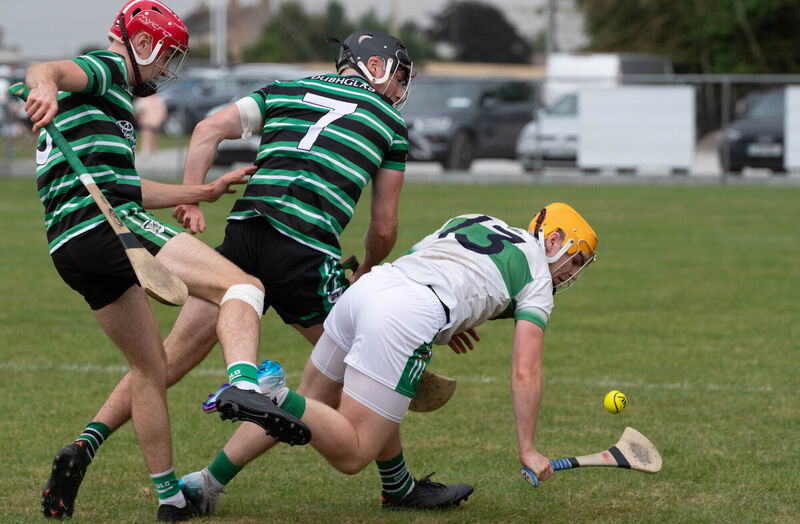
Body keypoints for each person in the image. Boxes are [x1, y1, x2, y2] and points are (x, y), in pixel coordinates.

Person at [40, 27, 468, 517]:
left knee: (162, 361)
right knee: (359, 367)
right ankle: (396, 486)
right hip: (305, 251)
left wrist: (193, 194)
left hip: (246, 233)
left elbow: (206, 130)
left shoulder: (286, 88)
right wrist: (366, 273)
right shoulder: (389, 121)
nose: (400, 90)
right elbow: (384, 227)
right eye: (399, 76)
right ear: (376, 66)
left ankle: (86, 444)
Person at [26, 1, 309, 521]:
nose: (166, 70)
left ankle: (168, 498)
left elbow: (122, 185)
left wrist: (199, 191)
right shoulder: (107, 71)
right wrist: (43, 82)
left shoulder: (104, 107)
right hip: (110, 225)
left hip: (70, 246)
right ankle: (245, 385)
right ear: (142, 44)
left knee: (148, 367)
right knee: (243, 289)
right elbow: (49, 70)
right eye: (166, 57)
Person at [217, 203, 598, 506]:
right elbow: (525, 370)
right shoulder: (539, 282)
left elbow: (428, 262)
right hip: (407, 314)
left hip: (371, 288)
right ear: (553, 240)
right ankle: (273, 393)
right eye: (576, 260)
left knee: (317, 400)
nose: (573, 274)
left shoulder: (475, 218)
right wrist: (527, 449)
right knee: (352, 453)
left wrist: (452, 323)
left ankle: (202, 484)